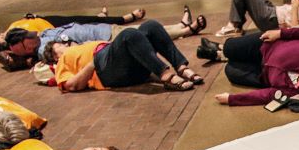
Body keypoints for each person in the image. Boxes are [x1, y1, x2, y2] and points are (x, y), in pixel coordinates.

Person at [0, 9, 203, 71]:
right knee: (144, 31)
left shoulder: (42, 37)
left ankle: (184, 28)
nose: (31, 37)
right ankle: (186, 29)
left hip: (100, 31)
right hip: (104, 40)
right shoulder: (45, 50)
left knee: (145, 29)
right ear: (24, 48)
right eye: (27, 40)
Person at [46, 20, 204, 92]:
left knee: (150, 26)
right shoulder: (61, 63)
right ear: (54, 57)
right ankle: (165, 75)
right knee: (128, 34)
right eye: (58, 47)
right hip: (105, 71)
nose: (63, 45)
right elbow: (72, 85)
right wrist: (92, 64)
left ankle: (182, 67)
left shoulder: (80, 45)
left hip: (123, 63)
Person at [200, 28, 299, 108]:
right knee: (230, 48)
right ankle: (219, 50)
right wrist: (280, 33)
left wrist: (232, 99)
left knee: (230, 71)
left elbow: (266, 95)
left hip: (262, 73)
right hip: (266, 45)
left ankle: (216, 53)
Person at [0, 8, 148, 53]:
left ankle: (99, 16)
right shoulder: (16, 42)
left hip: (46, 19)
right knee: (90, 24)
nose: (1, 34)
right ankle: (126, 18)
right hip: (55, 29)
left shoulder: (12, 30)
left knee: (84, 19)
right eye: (1, 39)